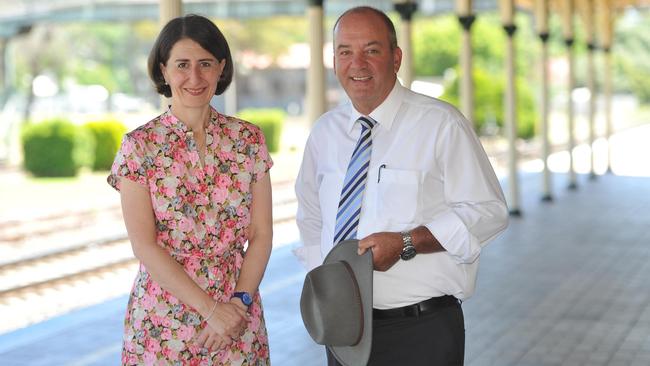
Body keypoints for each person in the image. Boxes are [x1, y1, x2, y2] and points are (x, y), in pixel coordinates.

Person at [294, 6, 509, 365]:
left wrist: (408, 242)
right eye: (345, 51)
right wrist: (331, 288)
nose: (357, 63)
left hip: (421, 331)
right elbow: (311, 217)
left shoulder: (441, 124)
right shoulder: (324, 133)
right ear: (333, 61)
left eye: (371, 50)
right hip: (346, 333)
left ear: (396, 58)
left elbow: (489, 212)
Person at [107, 14, 273, 365]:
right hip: (163, 320)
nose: (194, 77)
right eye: (182, 65)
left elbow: (261, 233)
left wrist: (238, 304)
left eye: (205, 64)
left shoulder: (249, 140)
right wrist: (211, 309)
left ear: (221, 68)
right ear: (164, 71)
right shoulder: (140, 146)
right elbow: (144, 245)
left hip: (238, 314)